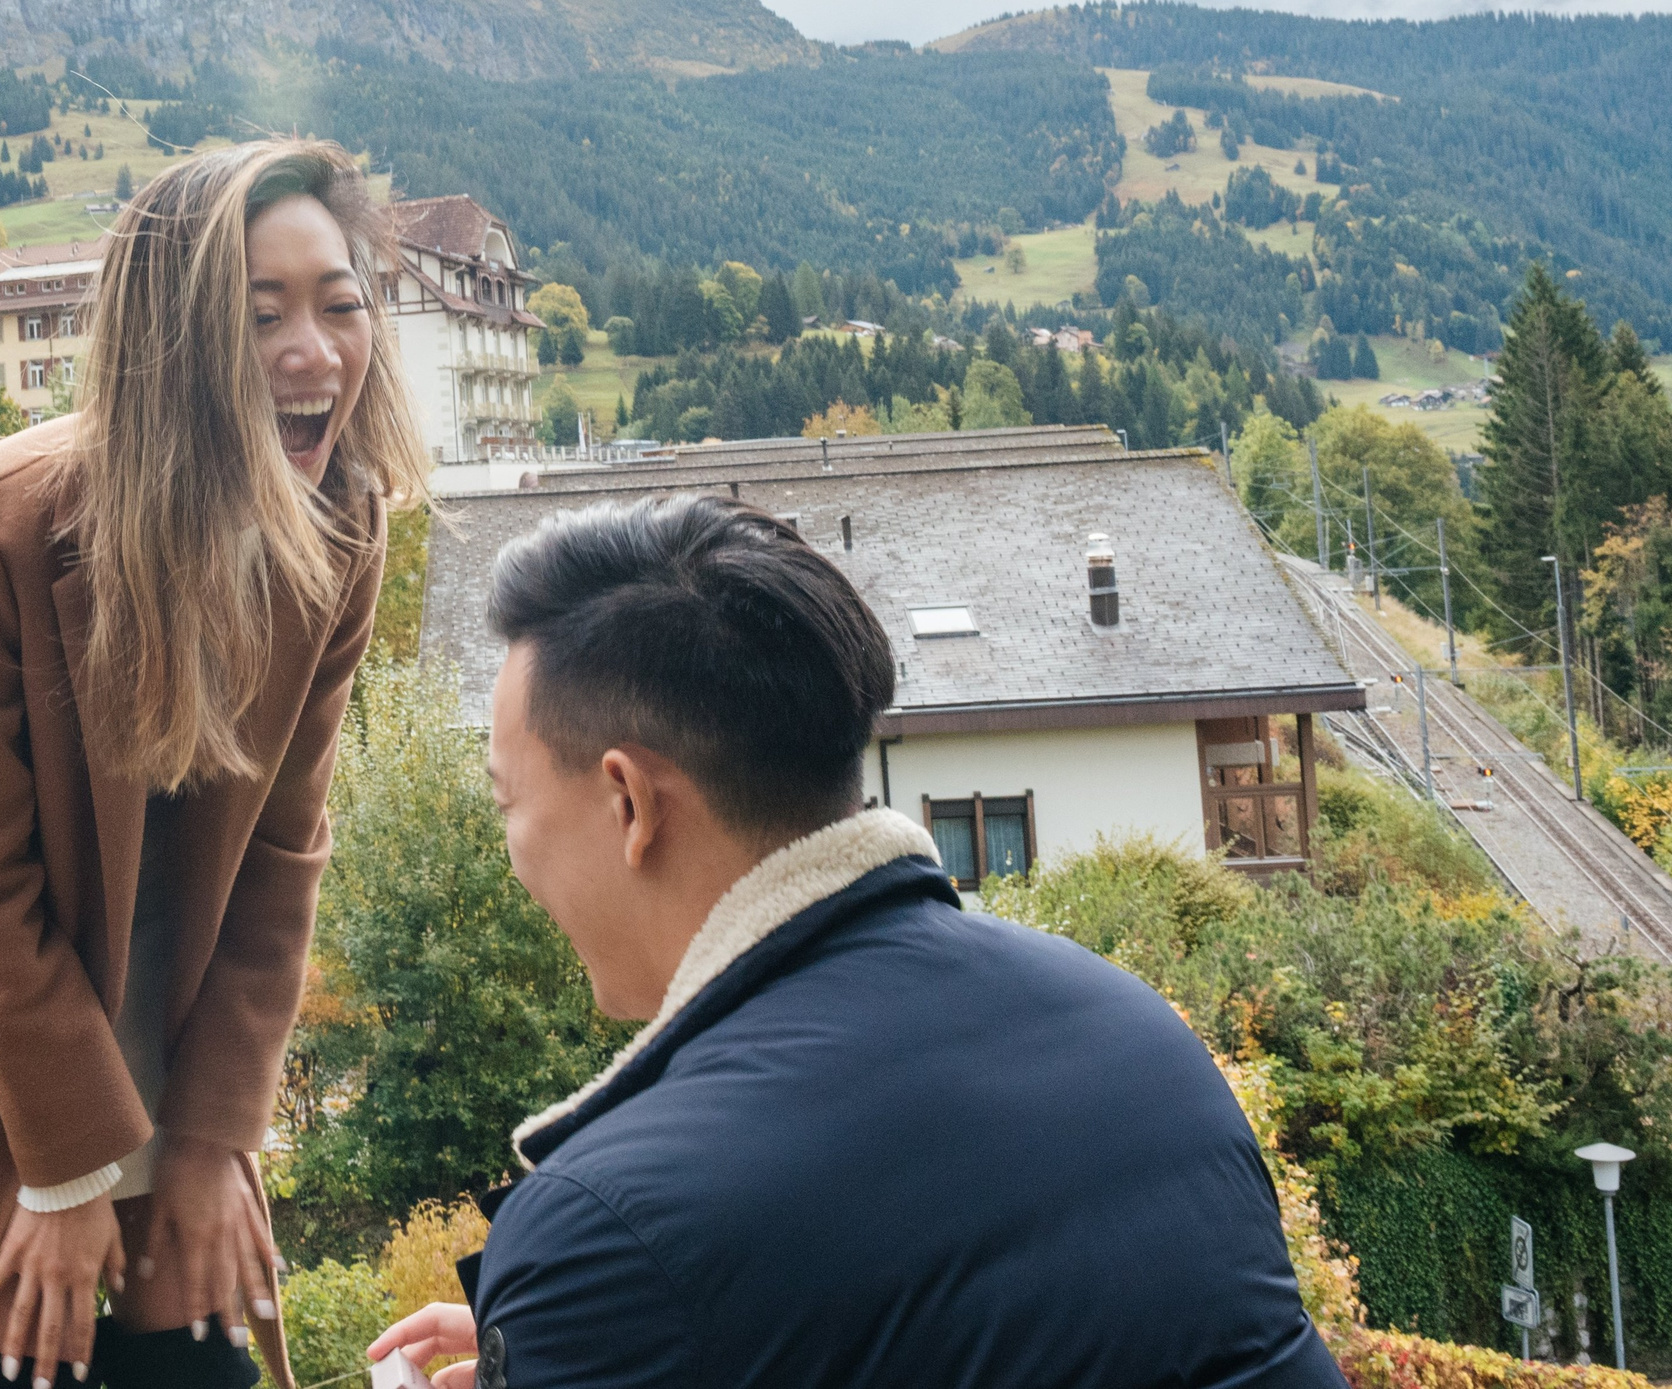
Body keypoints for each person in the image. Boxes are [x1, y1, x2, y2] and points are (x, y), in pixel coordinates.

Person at [370, 495, 1342, 1389]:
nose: (514, 857)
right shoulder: (1137, 1034)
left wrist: (589, 1306)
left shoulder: (615, 1227)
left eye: (508, 800)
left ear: (626, 800)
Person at [0, 139, 430, 1389]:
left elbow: (285, 845)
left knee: (194, 1364)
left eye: (341, 305)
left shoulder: (344, 526)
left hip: (163, 1046)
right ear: (175, 341)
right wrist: (69, 1168)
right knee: (4, 1360)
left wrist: (212, 1134)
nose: (315, 350)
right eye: (261, 315)